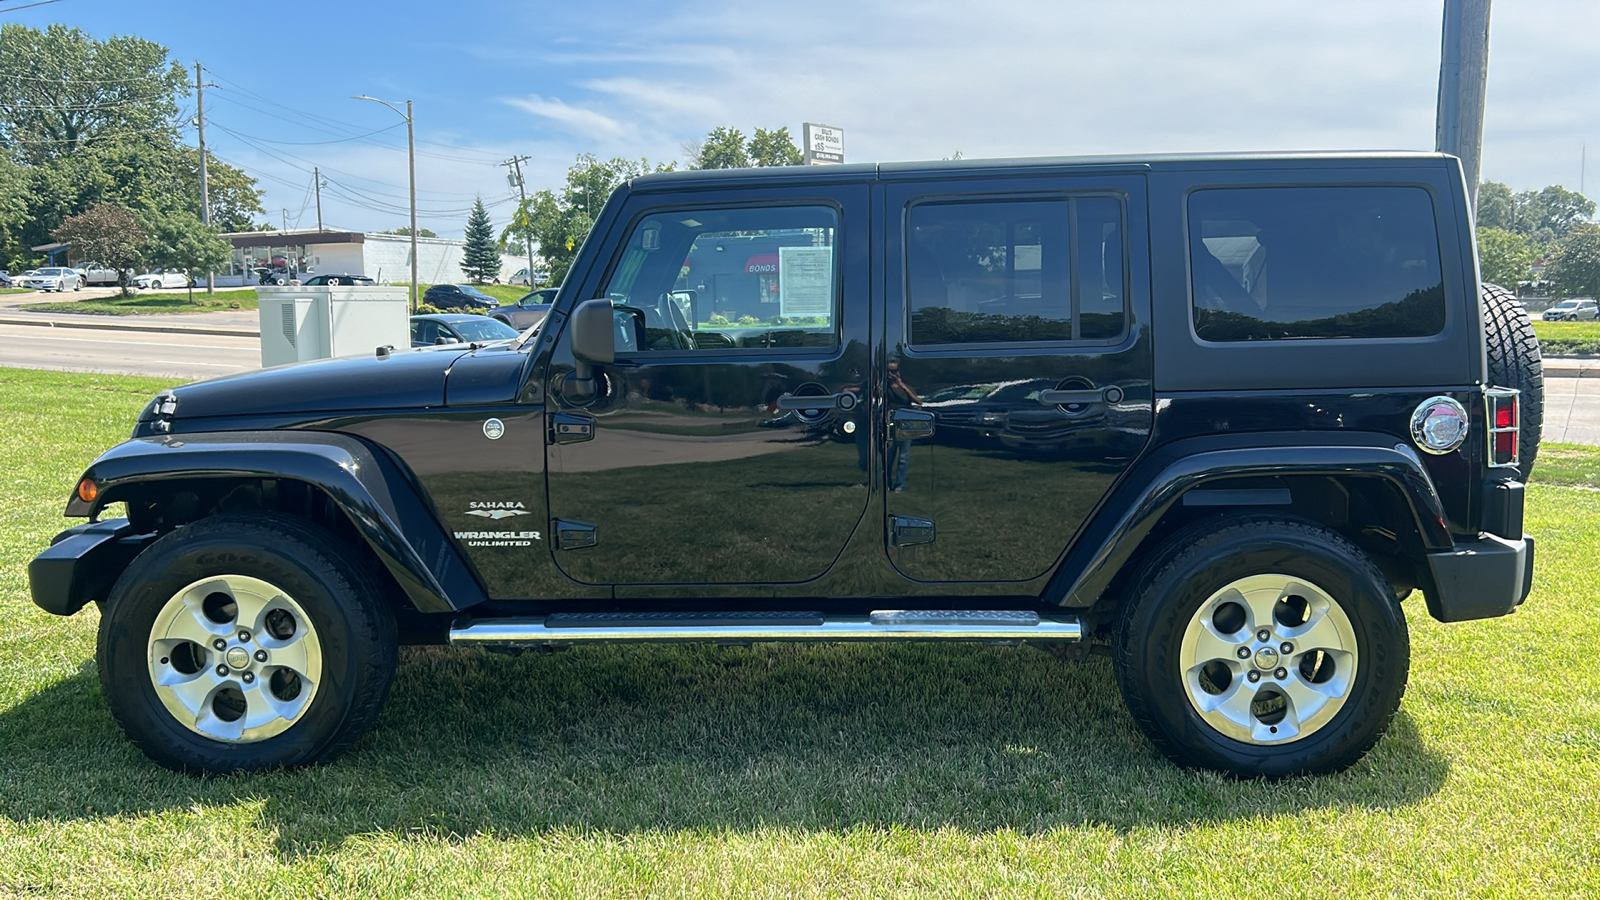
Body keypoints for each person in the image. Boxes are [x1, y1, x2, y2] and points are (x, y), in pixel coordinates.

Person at [886, 360, 921, 491]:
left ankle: (900, 484)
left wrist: (901, 385)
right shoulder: (884, 388)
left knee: (903, 456)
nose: (891, 374)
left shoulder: (906, 387)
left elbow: (918, 401)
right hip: (890, 422)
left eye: (893, 371)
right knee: (888, 455)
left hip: (905, 423)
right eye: (888, 371)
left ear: (899, 372)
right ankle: (887, 483)